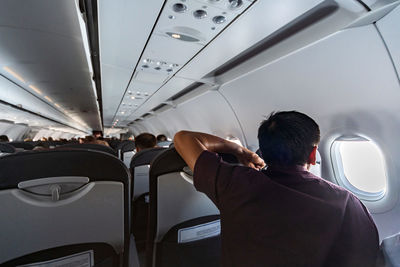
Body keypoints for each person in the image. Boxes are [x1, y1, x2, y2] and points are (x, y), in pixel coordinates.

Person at [174, 111, 379, 267]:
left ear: (263, 150)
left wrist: (238, 150)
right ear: (313, 154)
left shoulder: (236, 184)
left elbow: (183, 138)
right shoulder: (348, 202)